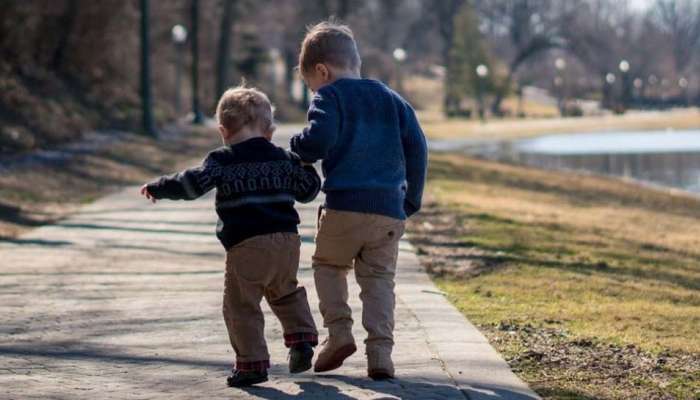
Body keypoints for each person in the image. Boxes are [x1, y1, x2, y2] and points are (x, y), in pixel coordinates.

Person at [140, 86, 321, 387]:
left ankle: (252, 364)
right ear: (269, 130)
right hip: (287, 242)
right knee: (285, 291)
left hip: (247, 244)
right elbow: (308, 191)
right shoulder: (283, 158)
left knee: (241, 305)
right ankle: (301, 340)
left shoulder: (222, 160)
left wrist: (159, 187)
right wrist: (306, 165)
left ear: (223, 131)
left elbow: (191, 184)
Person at [290, 21, 428, 380]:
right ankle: (380, 354)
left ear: (322, 71)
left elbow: (318, 140)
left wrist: (297, 146)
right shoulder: (392, 99)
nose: (313, 90)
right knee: (379, 280)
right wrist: (410, 199)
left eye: (310, 84)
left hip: (344, 207)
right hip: (388, 211)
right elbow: (418, 148)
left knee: (328, 266)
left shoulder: (329, 96)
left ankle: (338, 334)